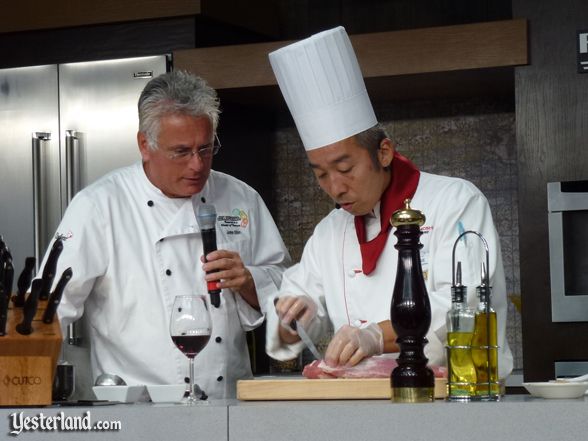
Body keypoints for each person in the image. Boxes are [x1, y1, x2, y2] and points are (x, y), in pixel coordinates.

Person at [265, 26, 513, 379]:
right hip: (359, 402)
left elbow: (466, 302)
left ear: (383, 152)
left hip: (454, 396)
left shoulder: (455, 201)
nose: (335, 187)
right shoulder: (328, 233)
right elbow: (297, 306)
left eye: (345, 167)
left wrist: (374, 336)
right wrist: (293, 318)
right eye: (320, 174)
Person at [40, 70, 291, 398]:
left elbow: (289, 292)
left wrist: (248, 281)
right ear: (145, 145)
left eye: (206, 148)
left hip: (228, 408)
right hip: (138, 412)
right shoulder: (99, 206)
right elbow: (48, 308)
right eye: (182, 152)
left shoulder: (242, 198)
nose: (197, 165)